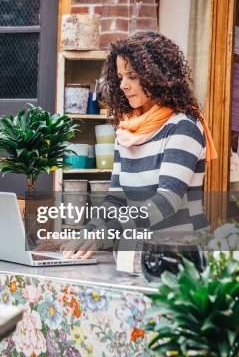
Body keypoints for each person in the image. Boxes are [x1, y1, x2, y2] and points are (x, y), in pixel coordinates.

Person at [64, 31, 217, 259]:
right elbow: (116, 199)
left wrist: (107, 231)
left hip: (182, 256)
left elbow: (167, 200)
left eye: (133, 76)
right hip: (139, 255)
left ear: (159, 76)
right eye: (120, 77)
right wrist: (89, 231)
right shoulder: (126, 130)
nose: (124, 85)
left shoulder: (183, 126)